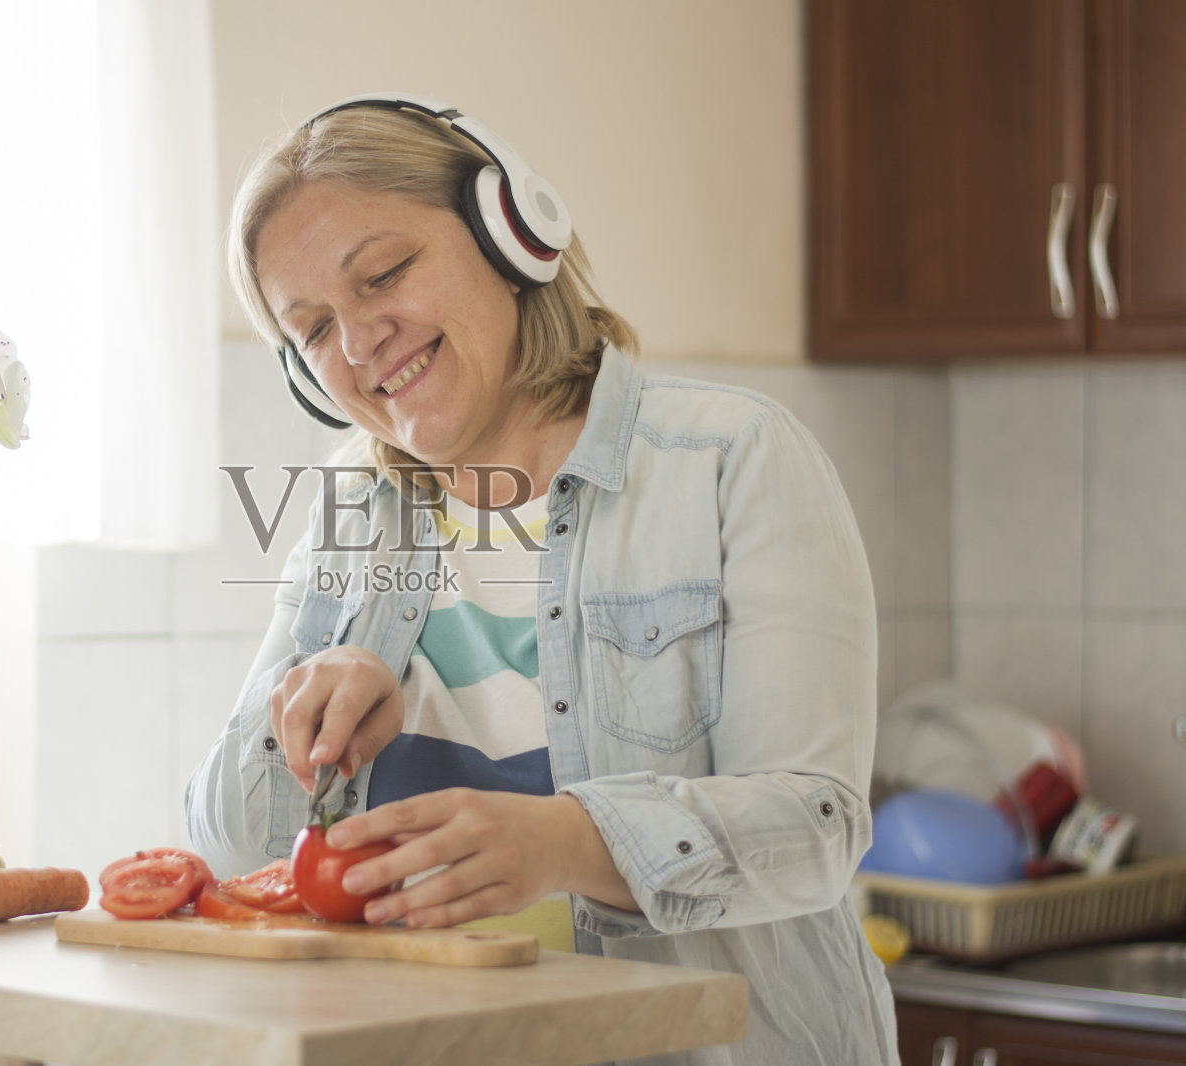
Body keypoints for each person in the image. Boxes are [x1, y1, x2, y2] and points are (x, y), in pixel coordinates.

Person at [186, 94, 899, 1066]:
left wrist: (563, 841)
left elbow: (815, 827)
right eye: (312, 329)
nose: (357, 347)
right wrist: (308, 702)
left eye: (384, 274)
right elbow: (231, 843)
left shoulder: (732, 457)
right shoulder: (353, 511)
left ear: (511, 235)